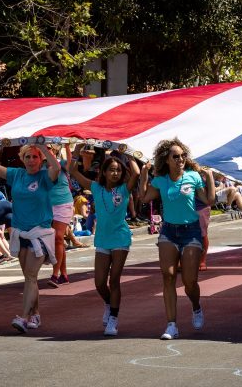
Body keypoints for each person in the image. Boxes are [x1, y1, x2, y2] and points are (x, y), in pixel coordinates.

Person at [138, 138, 215, 340]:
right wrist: (144, 174)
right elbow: (144, 197)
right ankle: (172, 325)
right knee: (168, 275)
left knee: (190, 281)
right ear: (167, 160)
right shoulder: (161, 180)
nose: (180, 159)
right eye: (175, 156)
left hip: (191, 231)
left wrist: (209, 178)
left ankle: (196, 307)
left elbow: (209, 200)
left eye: (182, 156)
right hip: (168, 231)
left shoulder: (192, 176)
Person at [0, 144, 59, 333]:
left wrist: (44, 148)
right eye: (28, 157)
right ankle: (35, 314)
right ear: (22, 158)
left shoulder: (45, 176)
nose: (31, 161)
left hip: (40, 233)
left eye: (35, 157)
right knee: (29, 278)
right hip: (20, 232)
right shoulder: (17, 174)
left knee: (30, 276)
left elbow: (57, 168)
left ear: (41, 159)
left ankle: (25, 318)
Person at [70, 146, 139, 336]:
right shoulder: (95, 187)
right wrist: (76, 152)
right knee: (100, 283)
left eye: (118, 170)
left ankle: (113, 320)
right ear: (104, 172)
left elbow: (136, 172)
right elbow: (73, 171)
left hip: (120, 238)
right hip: (102, 239)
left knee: (114, 279)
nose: (115, 173)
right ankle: (109, 303)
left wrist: (128, 152)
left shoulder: (125, 189)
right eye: (112, 169)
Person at [48, 145, 73, 285]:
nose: (49, 150)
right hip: (47, 205)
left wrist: (67, 145)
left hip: (63, 203)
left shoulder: (61, 164)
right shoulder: (40, 165)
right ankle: (64, 274)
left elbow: (70, 161)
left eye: (50, 147)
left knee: (58, 237)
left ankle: (55, 274)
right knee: (57, 240)